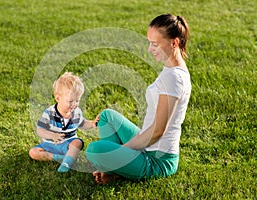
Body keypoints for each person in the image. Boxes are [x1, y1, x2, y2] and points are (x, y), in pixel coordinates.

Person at [85, 13, 191, 184]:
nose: (150, 49)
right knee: (107, 117)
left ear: (174, 43)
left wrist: (120, 151)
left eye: (155, 44)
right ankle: (117, 167)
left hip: (158, 160)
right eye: (150, 43)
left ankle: (115, 167)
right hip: (147, 145)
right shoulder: (171, 71)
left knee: (94, 150)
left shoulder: (174, 78)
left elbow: (157, 131)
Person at [29, 72, 98, 172]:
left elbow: (82, 124)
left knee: (77, 142)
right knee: (33, 152)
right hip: (50, 145)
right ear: (58, 98)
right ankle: (57, 157)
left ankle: (66, 163)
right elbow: (40, 130)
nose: (74, 104)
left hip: (67, 144)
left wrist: (92, 123)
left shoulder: (77, 113)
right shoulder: (50, 113)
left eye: (77, 101)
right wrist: (52, 135)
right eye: (70, 101)